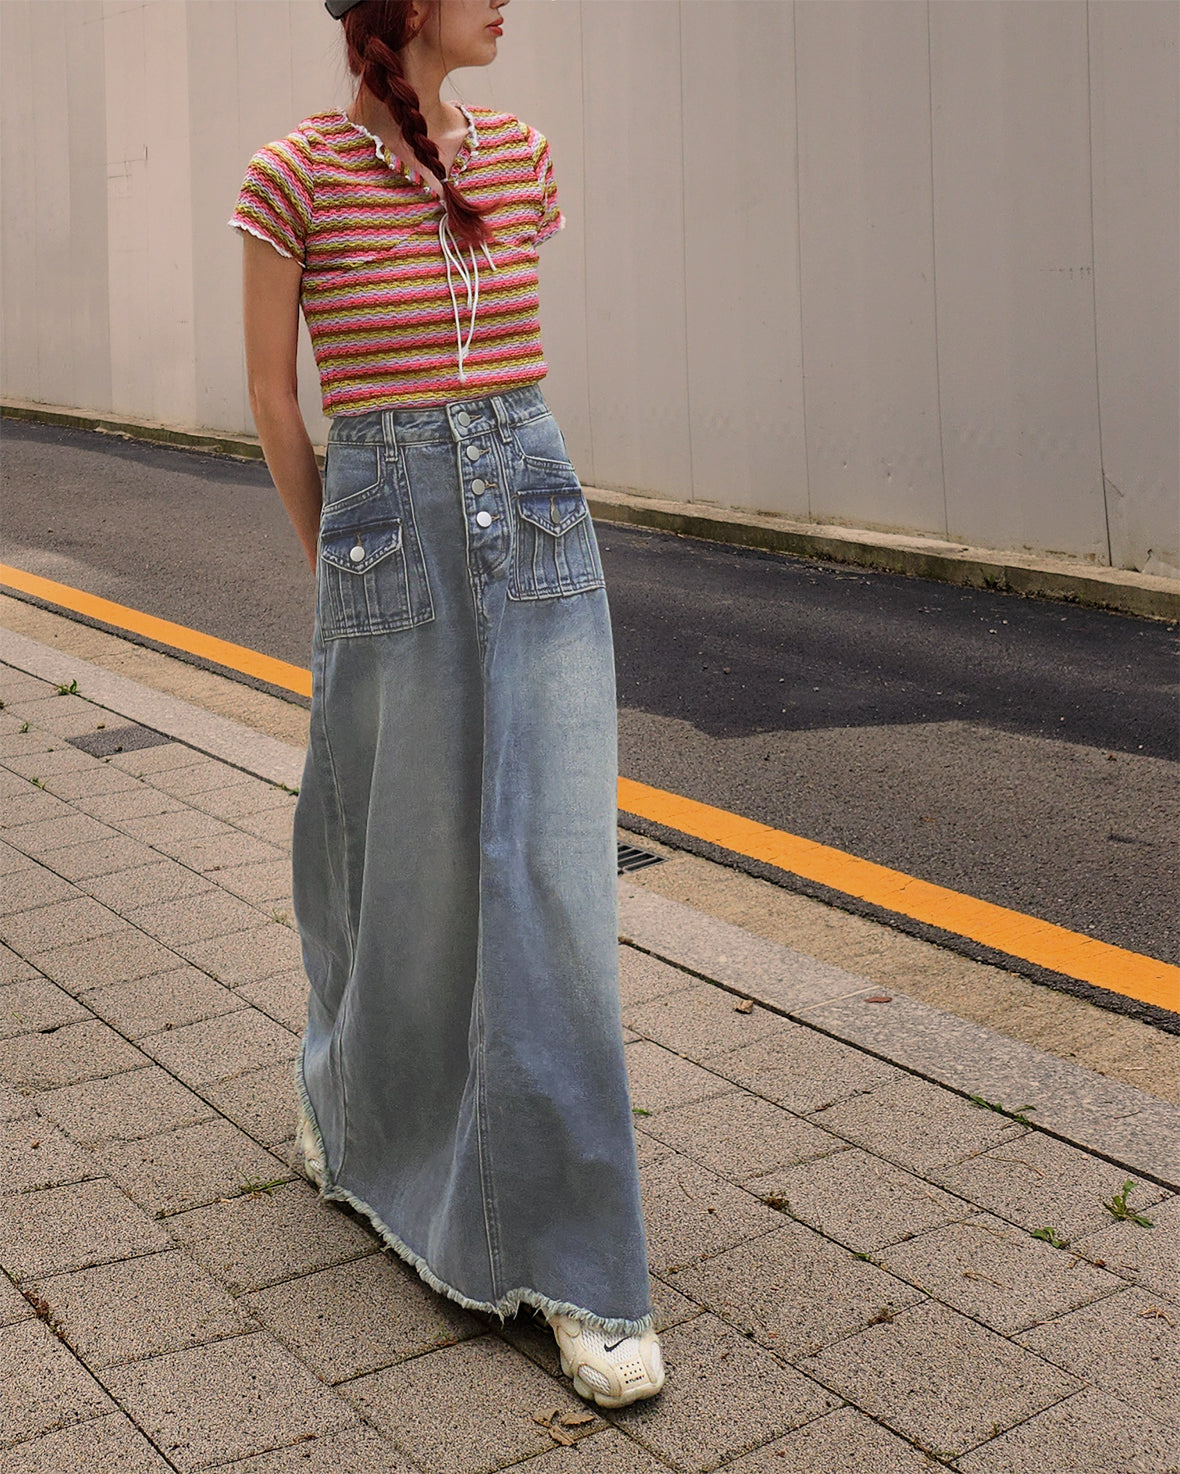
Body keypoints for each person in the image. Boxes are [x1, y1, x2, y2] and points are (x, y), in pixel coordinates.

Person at [229, 0, 665, 1409]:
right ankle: (355, 1107)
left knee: (541, 881)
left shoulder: (524, 157)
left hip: (535, 523)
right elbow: (275, 399)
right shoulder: (290, 176)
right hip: (381, 529)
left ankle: (575, 1256)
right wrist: (337, 571)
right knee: (386, 868)